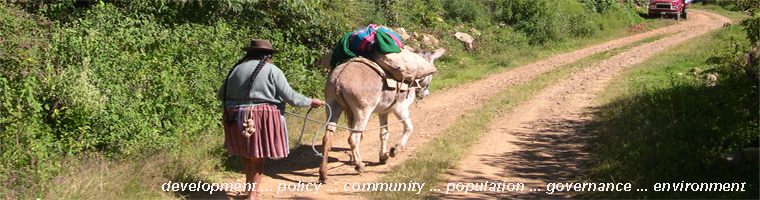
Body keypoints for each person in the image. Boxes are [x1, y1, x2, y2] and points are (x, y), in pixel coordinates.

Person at [217, 39, 325, 200]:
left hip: (234, 116)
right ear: (268, 56)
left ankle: (249, 188)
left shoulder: (236, 69)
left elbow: (220, 95)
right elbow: (291, 98)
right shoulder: (272, 70)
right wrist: (309, 101)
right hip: (260, 117)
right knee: (258, 156)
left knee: (245, 154)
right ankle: (252, 195)